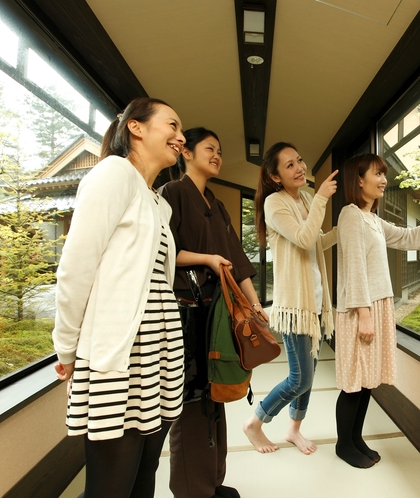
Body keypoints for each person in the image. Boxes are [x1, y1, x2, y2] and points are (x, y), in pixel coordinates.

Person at [52, 97, 186, 497]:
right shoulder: (113, 173)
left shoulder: (156, 201)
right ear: (137, 127)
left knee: (144, 477)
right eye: (173, 125)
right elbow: (77, 267)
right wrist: (67, 348)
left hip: (158, 354)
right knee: (111, 488)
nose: (180, 137)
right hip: (122, 358)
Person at [160, 127, 266, 498]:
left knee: (215, 389)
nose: (217, 155)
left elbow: (236, 260)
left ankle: (213, 481)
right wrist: (205, 258)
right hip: (188, 312)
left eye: (220, 150)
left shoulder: (216, 204)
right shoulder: (171, 193)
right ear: (186, 153)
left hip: (219, 311)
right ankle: (192, 490)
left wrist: (255, 305)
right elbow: (163, 252)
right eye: (210, 149)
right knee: (190, 395)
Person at [334, 153, 420, 469]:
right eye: (378, 173)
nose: (384, 179)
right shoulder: (350, 216)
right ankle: (343, 444)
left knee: (367, 381)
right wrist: (364, 315)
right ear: (359, 179)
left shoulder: (372, 218)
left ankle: (355, 439)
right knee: (354, 381)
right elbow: (355, 268)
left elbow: (405, 236)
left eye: (383, 174)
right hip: (361, 307)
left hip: (375, 303)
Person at [242, 143, 338, 454]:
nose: (299, 167)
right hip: (295, 307)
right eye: (289, 165)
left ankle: (294, 429)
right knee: (300, 379)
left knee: (306, 377)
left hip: (316, 303)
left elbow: (316, 244)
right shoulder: (274, 203)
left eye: (299, 160)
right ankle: (254, 422)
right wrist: (323, 197)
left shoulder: (307, 198)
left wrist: (342, 229)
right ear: (274, 176)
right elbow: (304, 237)